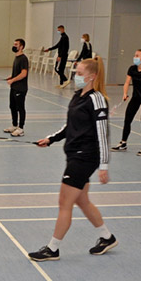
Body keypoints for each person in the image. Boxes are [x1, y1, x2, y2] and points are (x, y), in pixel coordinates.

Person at [28, 56, 117, 262]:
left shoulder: (97, 99)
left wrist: (104, 165)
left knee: (64, 203)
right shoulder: (78, 95)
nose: (75, 77)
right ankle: (107, 237)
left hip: (85, 157)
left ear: (92, 76)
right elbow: (70, 126)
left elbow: (103, 134)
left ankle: (53, 249)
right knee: (82, 200)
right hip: (74, 154)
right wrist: (51, 139)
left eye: (79, 74)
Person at [4, 38, 29, 137]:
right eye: (14, 44)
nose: (14, 46)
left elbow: (24, 74)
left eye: (16, 44)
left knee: (20, 108)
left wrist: (13, 80)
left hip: (21, 88)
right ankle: (14, 125)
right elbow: (18, 72)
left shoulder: (23, 58)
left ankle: (21, 128)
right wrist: (12, 77)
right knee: (12, 106)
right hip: (14, 87)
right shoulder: (16, 57)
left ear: (21, 47)